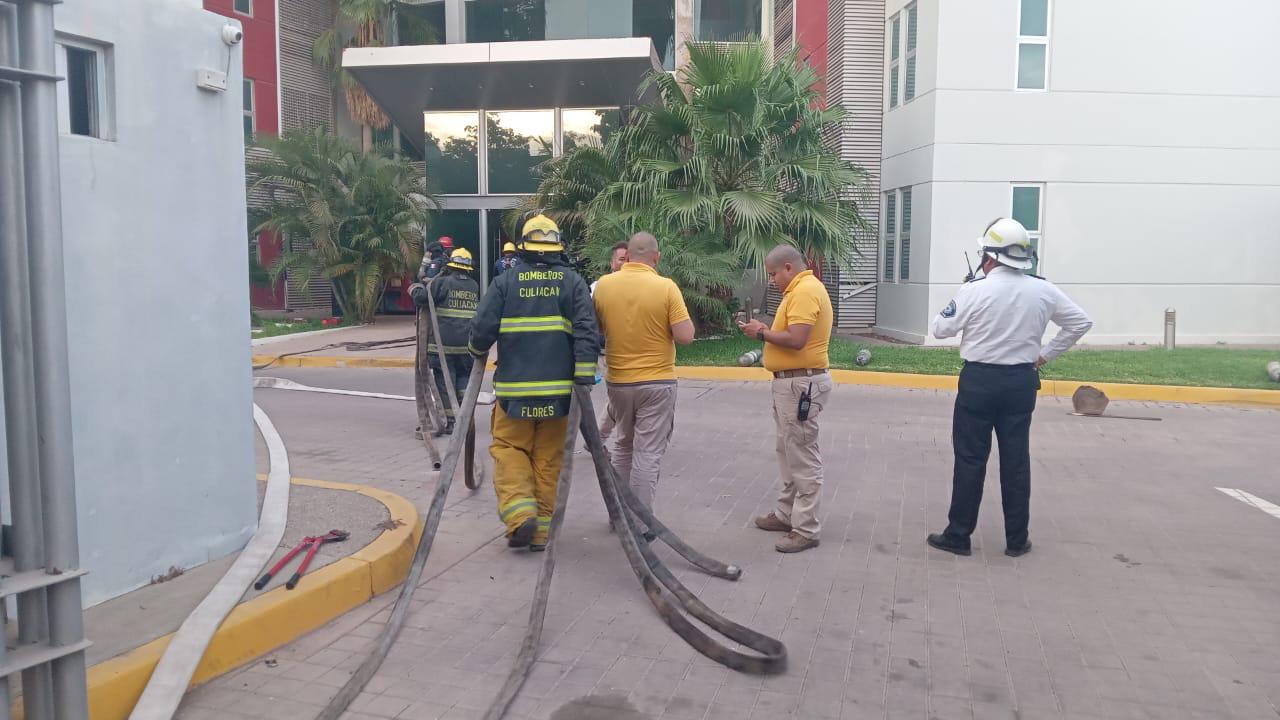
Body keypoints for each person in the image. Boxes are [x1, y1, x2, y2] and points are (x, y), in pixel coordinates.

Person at [926, 218, 1092, 558]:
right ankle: (1017, 539)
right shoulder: (1043, 290)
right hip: (1020, 382)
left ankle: (959, 535)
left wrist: (967, 289)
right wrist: (1044, 356)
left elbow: (941, 329)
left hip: (979, 381)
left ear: (989, 256)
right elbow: (1080, 322)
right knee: (1016, 461)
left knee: (970, 459)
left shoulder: (975, 290)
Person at [469, 214, 598, 551]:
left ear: (523, 248)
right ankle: (540, 532)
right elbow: (587, 331)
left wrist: (475, 348)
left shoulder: (505, 282)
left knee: (510, 450)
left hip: (514, 393)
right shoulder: (573, 282)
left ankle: (520, 515)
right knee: (549, 459)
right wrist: (584, 376)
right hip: (559, 395)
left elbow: (481, 330)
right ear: (558, 248)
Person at [737, 246, 833, 554]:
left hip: (800, 383)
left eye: (774, 274)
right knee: (788, 450)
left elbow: (797, 339)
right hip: (790, 383)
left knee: (802, 455)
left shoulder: (805, 291)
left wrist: (762, 334)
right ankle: (786, 514)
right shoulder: (800, 290)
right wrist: (764, 332)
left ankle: (806, 528)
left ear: (789, 268)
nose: (773, 280)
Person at [593, 232, 694, 518]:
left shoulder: (603, 286)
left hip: (619, 382)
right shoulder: (666, 287)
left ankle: (621, 515)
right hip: (656, 382)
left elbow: (596, 329)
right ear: (656, 257)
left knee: (623, 446)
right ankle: (642, 521)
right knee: (647, 453)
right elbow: (685, 336)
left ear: (626, 257)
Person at [410, 248, 480, 436]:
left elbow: (421, 299)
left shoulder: (442, 283)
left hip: (443, 347)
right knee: (463, 382)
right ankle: (464, 417)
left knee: (444, 382)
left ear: (450, 266)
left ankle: (449, 421)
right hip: (467, 346)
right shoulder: (474, 286)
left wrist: (414, 287)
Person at [591, 242, 629, 442]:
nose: (625, 264)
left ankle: (598, 438)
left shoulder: (637, 286)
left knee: (619, 397)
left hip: (626, 352)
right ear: (612, 262)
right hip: (604, 352)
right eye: (621, 259)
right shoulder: (599, 286)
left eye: (628, 260)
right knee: (619, 397)